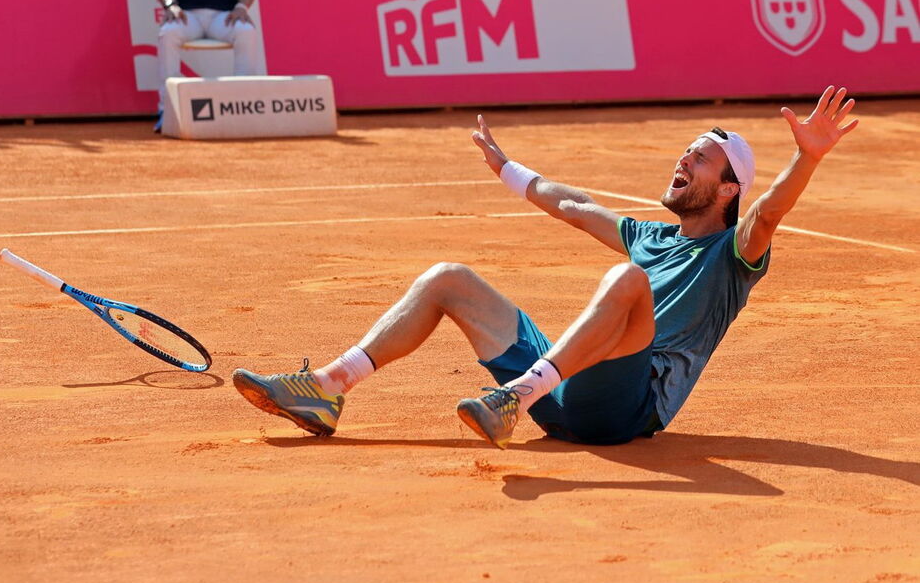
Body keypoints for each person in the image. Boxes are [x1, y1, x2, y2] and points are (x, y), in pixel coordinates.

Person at [232, 86, 858, 449]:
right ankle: (327, 391)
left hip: (629, 409)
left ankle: (512, 397)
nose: (683, 162)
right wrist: (509, 169)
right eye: (685, 152)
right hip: (566, 391)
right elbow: (576, 206)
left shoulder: (734, 254)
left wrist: (807, 160)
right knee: (449, 276)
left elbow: (768, 215)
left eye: (699, 161)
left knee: (627, 279)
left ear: (727, 191)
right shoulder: (649, 236)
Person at [154, 0, 263, 133]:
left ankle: (244, 106)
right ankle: (168, 109)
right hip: (187, 16)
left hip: (224, 17)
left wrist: (241, 8)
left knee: (245, 31)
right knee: (169, 32)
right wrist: (171, 6)